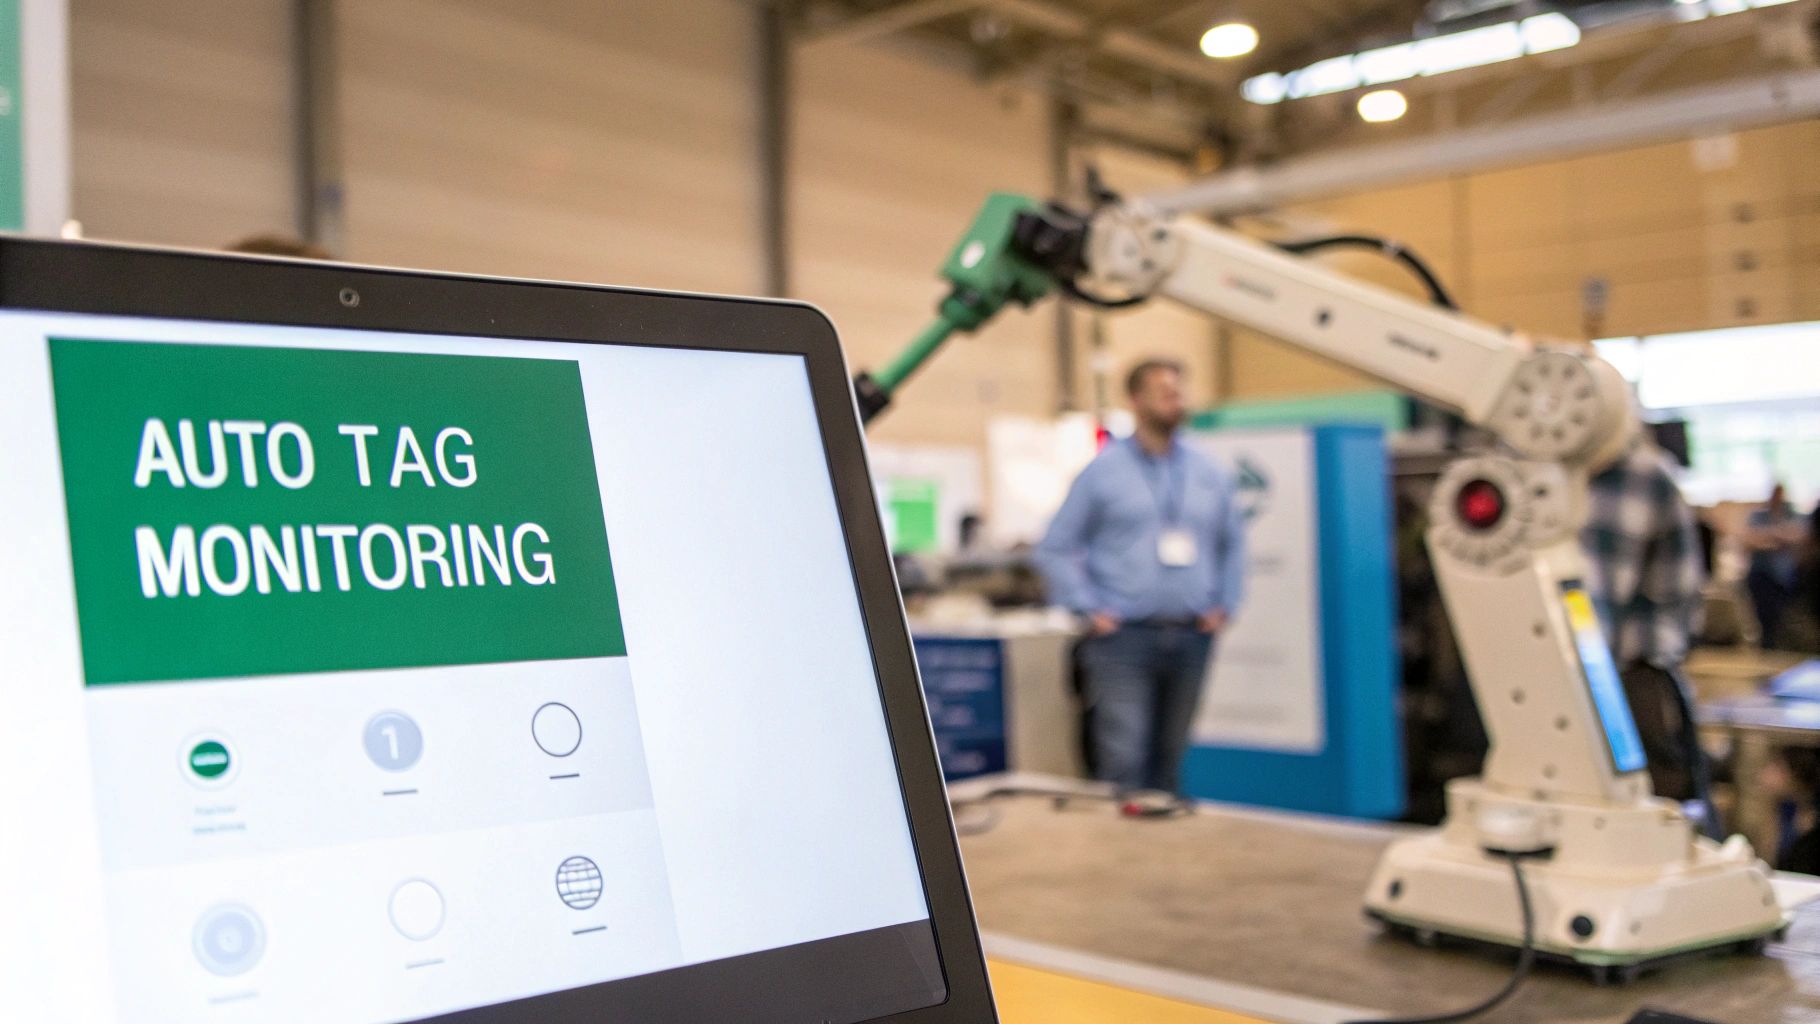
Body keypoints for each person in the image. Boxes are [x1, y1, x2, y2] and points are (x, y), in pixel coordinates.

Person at [1034, 359, 1247, 797]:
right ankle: (1119, 840)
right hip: (1122, 640)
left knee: (1170, 760)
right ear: (1135, 400)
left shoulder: (1207, 471)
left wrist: (1225, 603)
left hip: (1190, 636)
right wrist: (1087, 608)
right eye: (1164, 392)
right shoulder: (1102, 472)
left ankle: (1163, 840)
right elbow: (1055, 546)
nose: (1176, 399)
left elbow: (1233, 543)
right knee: (1124, 758)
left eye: (1179, 390)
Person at [1581, 437, 1710, 813]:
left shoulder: (1643, 476)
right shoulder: (1647, 475)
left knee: (1649, 813)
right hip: (1618, 675)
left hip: (1627, 682)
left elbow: (1678, 596)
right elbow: (1682, 596)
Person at [1745, 483, 1806, 649]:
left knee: (1785, 617)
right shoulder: (1759, 515)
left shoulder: (1791, 513)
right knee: (1764, 617)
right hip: (1761, 576)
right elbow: (1750, 540)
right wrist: (1779, 537)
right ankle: (1767, 648)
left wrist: (1770, 537)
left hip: (1784, 577)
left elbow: (1799, 536)